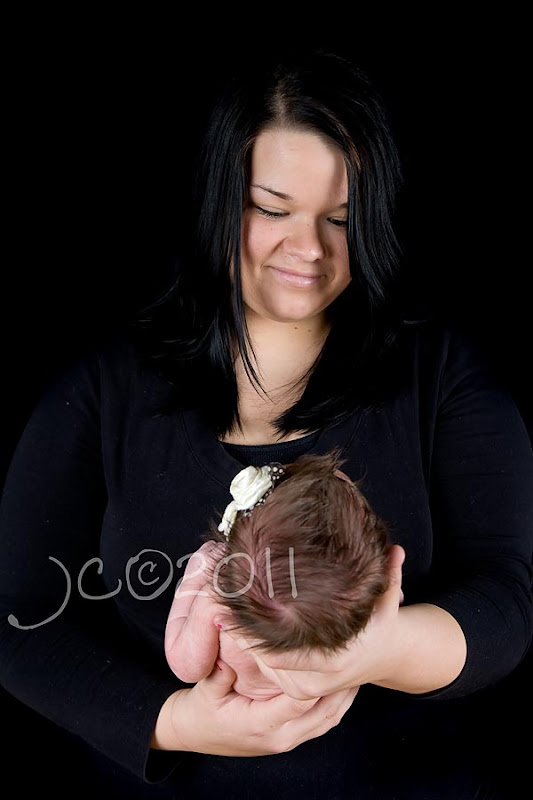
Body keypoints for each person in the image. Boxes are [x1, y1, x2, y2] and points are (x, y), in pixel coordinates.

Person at [0, 46, 532, 799]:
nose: (308, 249)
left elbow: (504, 603)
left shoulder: (440, 375)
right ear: (220, 198)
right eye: (272, 209)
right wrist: (180, 722)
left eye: (341, 218)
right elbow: (20, 623)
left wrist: (377, 650)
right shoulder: (105, 388)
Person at [165, 451, 392, 700]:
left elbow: (186, 668)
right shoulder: (359, 606)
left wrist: (198, 577)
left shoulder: (217, 606)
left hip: (233, 717)